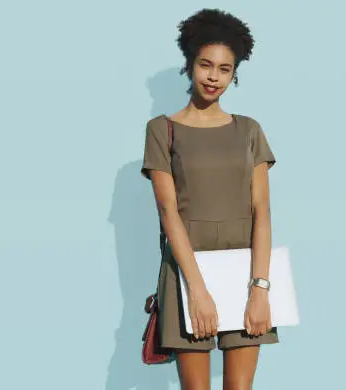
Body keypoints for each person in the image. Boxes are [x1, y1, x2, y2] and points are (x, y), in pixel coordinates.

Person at [140, 9, 278, 390]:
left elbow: (262, 212)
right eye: (206, 65)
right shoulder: (161, 131)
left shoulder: (249, 130)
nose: (214, 76)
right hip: (187, 274)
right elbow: (170, 213)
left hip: (245, 271)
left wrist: (260, 288)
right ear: (190, 64)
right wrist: (197, 291)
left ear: (234, 73)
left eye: (225, 69)